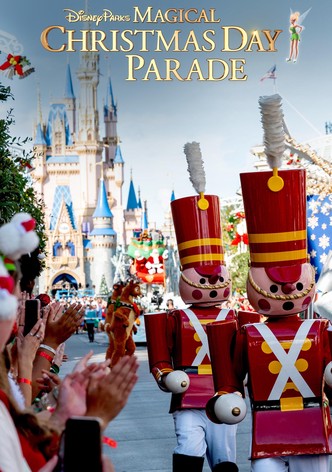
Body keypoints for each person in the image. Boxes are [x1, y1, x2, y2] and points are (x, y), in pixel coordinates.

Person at [207, 167, 332, 472]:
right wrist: (225, 398)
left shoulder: (322, 329)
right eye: (274, 286)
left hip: (313, 429)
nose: (287, 289)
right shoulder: (244, 333)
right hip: (267, 432)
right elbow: (228, 384)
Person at [145, 144, 238, 472]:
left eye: (216, 278)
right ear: (185, 279)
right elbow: (158, 361)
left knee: (225, 459)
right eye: (202, 278)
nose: (211, 284)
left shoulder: (238, 318)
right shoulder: (174, 318)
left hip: (225, 397)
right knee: (188, 449)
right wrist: (167, 377)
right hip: (186, 401)